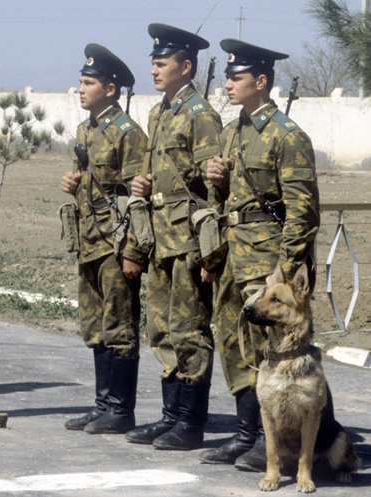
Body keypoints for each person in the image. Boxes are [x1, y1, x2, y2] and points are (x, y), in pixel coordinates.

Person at [198, 39, 320, 471]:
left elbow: (302, 209)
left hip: (267, 261)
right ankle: (246, 435)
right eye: (228, 76)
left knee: (265, 349)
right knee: (234, 343)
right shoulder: (234, 131)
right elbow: (229, 199)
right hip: (234, 254)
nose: (228, 84)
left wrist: (284, 274)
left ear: (261, 81)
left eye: (237, 77)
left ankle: (269, 445)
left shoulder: (287, 135)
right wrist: (216, 179)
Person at [125, 24, 222, 451]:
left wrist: (211, 255)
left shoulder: (201, 115)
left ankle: (191, 422)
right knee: (162, 330)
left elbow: (215, 188)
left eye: (161, 64)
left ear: (186, 67)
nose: (153, 71)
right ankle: (170, 416)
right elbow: (154, 169)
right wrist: (144, 185)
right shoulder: (158, 113)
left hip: (187, 239)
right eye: (152, 63)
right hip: (160, 238)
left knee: (190, 330)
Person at [61, 44, 148, 434]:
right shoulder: (86, 129)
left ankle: (120, 409)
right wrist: (72, 181)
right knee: (95, 325)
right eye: (80, 82)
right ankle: (102, 405)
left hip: (115, 244)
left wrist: (133, 252)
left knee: (120, 326)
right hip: (89, 242)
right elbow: (86, 176)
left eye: (88, 83)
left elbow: (135, 198)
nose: (81, 89)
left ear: (110, 89)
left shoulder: (128, 133)